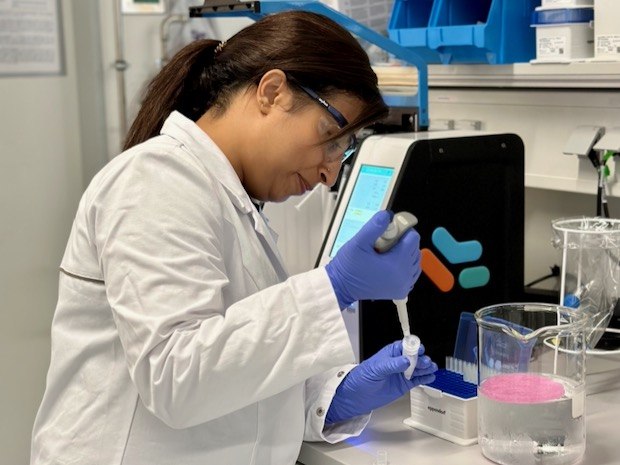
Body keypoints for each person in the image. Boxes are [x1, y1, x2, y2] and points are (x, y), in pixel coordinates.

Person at [30, 11, 437, 465]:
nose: (329, 172)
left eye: (344, 150)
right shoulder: (157, 181)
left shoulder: (230, 200)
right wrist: (334, 288)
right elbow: (179, 380)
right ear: (272, 92)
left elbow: (237, 377)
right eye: (330, 138)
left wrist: (333, 397)